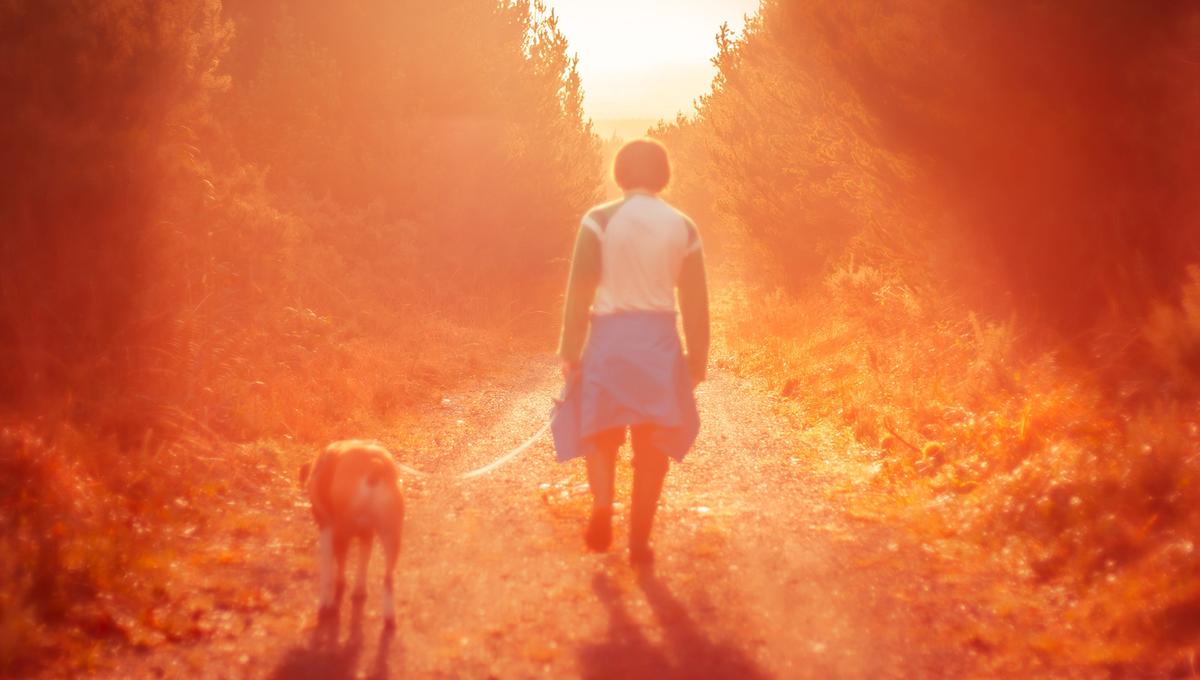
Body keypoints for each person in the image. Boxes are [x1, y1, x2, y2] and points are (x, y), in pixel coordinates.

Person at [550, 138, 709, 566]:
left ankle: (603, 504)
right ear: (663, 175)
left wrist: (570, 348)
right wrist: (698, 359)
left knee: (601, 431)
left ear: (620, 174)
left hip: (609, 340)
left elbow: (579, 291)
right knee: (652, 444)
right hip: (657, 342)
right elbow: (695, 301)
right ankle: (639, 541)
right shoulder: (683, 226)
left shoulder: (598, 222)